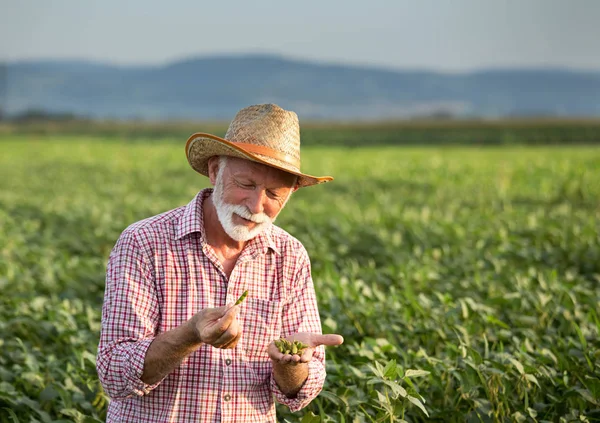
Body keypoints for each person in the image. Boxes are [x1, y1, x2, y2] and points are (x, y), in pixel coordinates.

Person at [96, 103, 344, 422]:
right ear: (215, 170)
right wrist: (191, 334)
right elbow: (115, 374)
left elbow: (298, 394)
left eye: (274, 194)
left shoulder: (290, 256)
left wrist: (291, 366)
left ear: (292, 193)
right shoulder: (145, 242)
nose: (257, 205)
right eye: (246, 184)